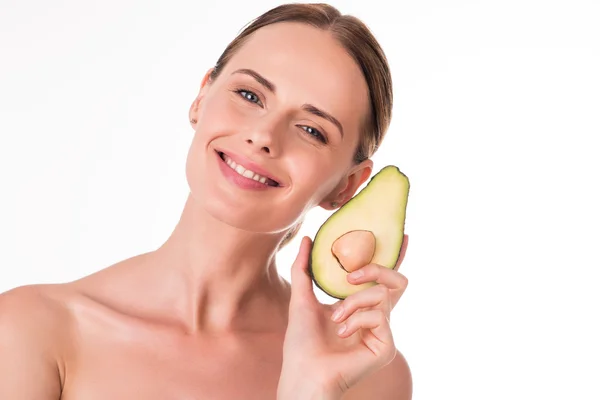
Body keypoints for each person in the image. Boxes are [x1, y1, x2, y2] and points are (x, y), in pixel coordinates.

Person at [0, 3, 412, 399]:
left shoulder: (366, 373)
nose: (264, 136)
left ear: (348, 185)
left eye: (311, 129)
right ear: (201, 98)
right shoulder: (31, 330)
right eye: (250, 96)